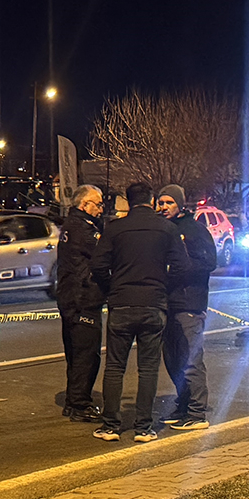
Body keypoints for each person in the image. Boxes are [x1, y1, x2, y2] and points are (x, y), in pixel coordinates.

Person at [90, 182, 191, 443]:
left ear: (128, 201)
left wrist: (112, 286)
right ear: (152, 200)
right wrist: (163, 286)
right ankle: (144, 427)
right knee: (148, 368)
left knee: (115, 367)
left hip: (122, 303)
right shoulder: (167, 229)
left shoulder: (115, 229)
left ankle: (111, 425)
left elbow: (98, 265)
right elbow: (182, 266)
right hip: (153, 303)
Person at [155, 184, 216, 431]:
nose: (164, 207)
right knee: (173, 359)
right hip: (167, 303)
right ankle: (183, 404)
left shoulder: (194, 230)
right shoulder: (163, 229)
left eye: (169, 202)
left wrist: (177, 269)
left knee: (191, 359)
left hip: (189, 302)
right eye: (161, 202)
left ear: (180, 204)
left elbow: (209, 262)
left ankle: (197, 411)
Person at [56, 184, 106, 423]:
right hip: (82, 299)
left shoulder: (70, 225)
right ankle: (80, 404)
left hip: (70, 297)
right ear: (84, 205)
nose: (101, 209)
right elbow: (104, 254)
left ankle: (73, 401)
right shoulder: (84, 230)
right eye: (98, 204)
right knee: (86, 355)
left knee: (75, 354)